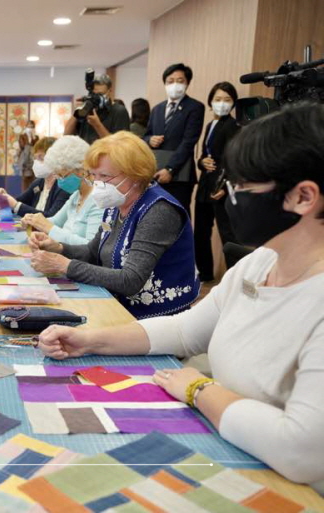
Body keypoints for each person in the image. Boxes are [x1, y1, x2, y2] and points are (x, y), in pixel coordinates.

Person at [35, 104, 324, 491]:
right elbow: (187, 330)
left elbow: (300, 452)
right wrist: (89, 340)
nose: (228, 196)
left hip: (287, 484)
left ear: (304, 197)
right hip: (231, 444)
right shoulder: (258, 264)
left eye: (241, 187)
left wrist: (198, 389)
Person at [28, 131, 199, 319]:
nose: (98, 183)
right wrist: (58, 247)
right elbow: (93, 252)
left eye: (105, 176)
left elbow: (130, 280)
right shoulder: (117, 202)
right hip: (116, 304)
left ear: (136, 175)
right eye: (94, 175)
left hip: (155, 319)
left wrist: (66, 266)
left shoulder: (159, 211)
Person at [143, 63, 205, 214]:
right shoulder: (157, 108)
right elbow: (146, 135)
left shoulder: (195, 107)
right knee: (155, 215)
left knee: (178, 215)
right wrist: (149, 139)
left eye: (180, 80)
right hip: (156, 174)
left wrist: (170, 169)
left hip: (179, 175)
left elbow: (189, 142)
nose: (175, 85)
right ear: (164, 83)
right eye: (170, 81)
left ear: (187, 83)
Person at [22, 136, 104, 245]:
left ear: (81, 170)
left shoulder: (98, 200)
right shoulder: (76, 195)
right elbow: (56, 221)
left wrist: (48, 227)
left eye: (62, 176)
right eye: (57, 175)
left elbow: (91, 248)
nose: (59, 181)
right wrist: (33, 222)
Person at [194, 82, 239, 281]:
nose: (222, 103)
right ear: (211, 102)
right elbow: (204, 155)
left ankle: (235, 276)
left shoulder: (234, 126)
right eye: (218, 99)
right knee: (201, 233)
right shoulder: (210, 124)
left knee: (227, 234)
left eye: (227, 100)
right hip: (205, 185)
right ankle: (205, 273)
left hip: (222, 187)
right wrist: (201, 161)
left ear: (233, 103)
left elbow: (235, 160)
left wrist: (226, 188)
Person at [0, 137, 70, 218]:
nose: (36, 163)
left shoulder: (64, 186)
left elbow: (52, 217)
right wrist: (5, 198)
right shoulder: (38, 183)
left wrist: (16, 205)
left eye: (41, 158)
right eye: (35, 158)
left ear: (55, 158)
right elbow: (19, 202)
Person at [64, 73, 130, 145]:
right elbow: (66, 135)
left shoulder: (119, 111)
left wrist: (97, 125)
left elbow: (119, 145)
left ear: (110, 91)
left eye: (100, 94)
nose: (97, 97)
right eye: (94, 94)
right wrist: (77, 112)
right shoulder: (88, 108)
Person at [17, 120, 40, 190]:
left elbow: (37, 146)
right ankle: (25, 193)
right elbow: (22, 146)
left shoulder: (36, 137)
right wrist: (28, 139)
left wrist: (33, 138)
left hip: (33, 159)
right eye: (29, 126)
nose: (30, 128)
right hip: (25, 159)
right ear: (26, 126)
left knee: (34, 178)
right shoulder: (22, 136)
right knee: (26, 178)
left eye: (32, 126)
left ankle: (34, 195)